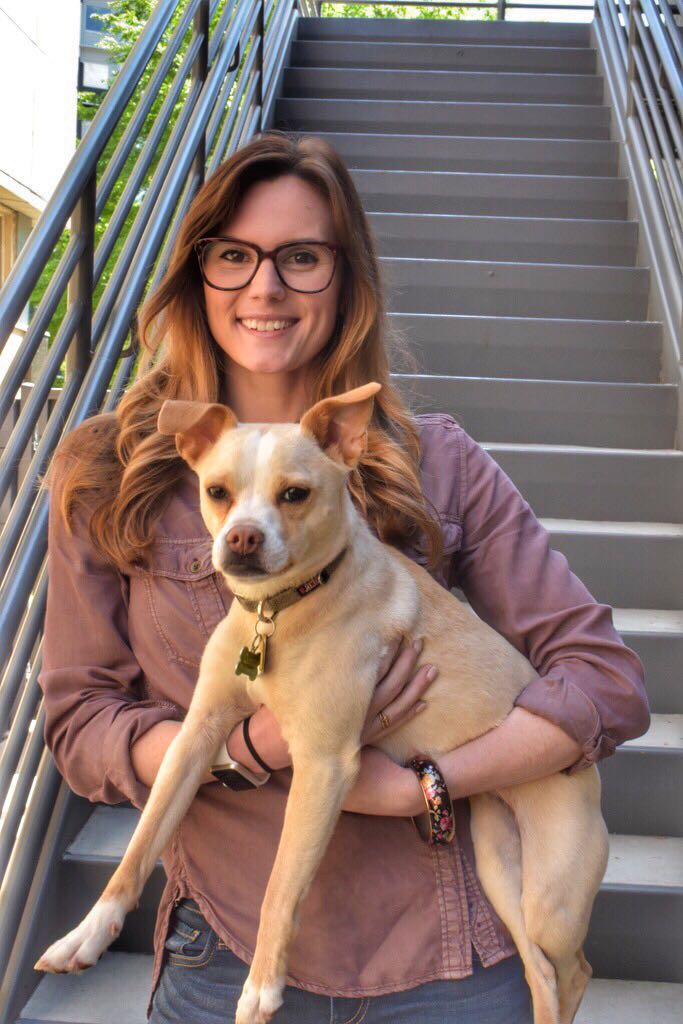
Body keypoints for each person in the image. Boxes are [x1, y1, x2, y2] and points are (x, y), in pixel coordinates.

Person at [39, 132, 650, 1024]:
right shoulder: (108, 470)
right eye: (234, 255)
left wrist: (426, 786)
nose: (265, 287)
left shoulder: (437, 461)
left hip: (448, 954)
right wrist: (249, 744)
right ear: (194, 272)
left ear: (346, 278)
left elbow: (606, 681)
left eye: (301, 258)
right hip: (225, 950)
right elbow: (82, 721)